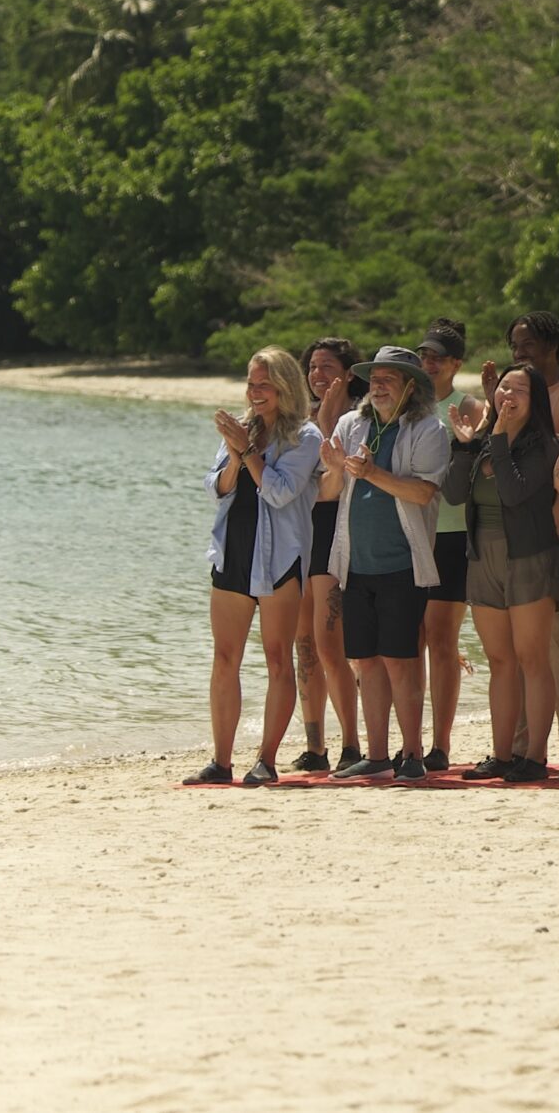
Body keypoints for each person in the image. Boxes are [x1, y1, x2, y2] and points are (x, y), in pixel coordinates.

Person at [184, 348, 324, 786]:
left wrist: (247, 452)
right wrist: (235, 453)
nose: (255, 392)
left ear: (285, 387)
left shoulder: (306, 437)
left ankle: (266, 759)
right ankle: (221, 761)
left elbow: (280, 492)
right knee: (224, 658)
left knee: (278, 659)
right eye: (251, 384)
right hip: (233, 549)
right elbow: (216, 488)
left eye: (264, 384)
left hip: (279, 555)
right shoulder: (242, 430)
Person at [322, 346, 449, 781]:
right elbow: (330, 490)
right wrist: (337, 470)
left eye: (387, 379)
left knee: (402, 660)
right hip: (356, 563)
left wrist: (370, 472)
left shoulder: (428, 429)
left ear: (410, 387)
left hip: (403, 563)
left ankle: (411, 753)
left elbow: (423, 493)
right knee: (366, 662)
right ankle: (376, 755)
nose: (376, 385)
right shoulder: (350, 424)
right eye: (373, 378)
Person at [445, 365, 559, 782]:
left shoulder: (546, 446)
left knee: (532, 658)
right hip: (483, 558)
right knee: (500, 661)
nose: (508, 395)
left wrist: (496, 437)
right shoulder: (483, 445)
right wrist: (465, 448)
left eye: (519, 390)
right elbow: (452, 493)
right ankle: (501, 756)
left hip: (529, 556)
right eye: (503, 388)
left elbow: (516, 492)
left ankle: (534, 756)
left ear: (534, 400)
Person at [502, 312, 559, 770]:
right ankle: (520, 745)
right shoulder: (508, 393)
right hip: (519, 543)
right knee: (524, 650)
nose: (520, 353)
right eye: (515, 346)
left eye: (528, 344)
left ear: (553, 345)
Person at [291, 337, 364, 773]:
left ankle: (352, 745)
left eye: (328, 367)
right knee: (303, 645)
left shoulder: (357, 420)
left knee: (329, 644)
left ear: (348, 374)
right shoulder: (299, 421)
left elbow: (330, 485)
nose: (318, 375)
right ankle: (315, 746)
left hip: (336, 535)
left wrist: (326, 414)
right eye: (312, 367)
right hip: (299, 537)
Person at [419, 318, 488, 770]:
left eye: (437, 358)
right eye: (423, 355)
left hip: (452, 533)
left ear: (455, 364)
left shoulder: (470, 407)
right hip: (409, 533)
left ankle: (440, 743)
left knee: (442, 640)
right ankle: (405, 738)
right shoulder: (408, 407)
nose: (428, 363)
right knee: (409, 640)